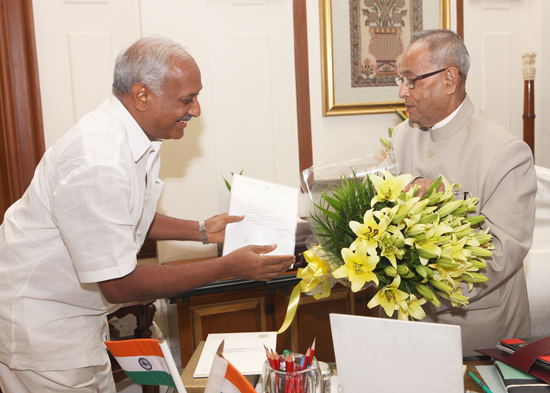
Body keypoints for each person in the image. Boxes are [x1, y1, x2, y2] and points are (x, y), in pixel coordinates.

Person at [0, 36, 295, 392]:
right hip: (40, 331)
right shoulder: (98, 161)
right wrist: (227, 267)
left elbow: (126, 215)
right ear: (142, 95)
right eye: (187, 99)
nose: (197, 110)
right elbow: (119, 283)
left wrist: (202, 230)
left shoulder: (134, 135)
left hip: (76, 323)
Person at [384, 29, 537, 356]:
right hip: (407, 333)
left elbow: (500, 255)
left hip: (478, 340)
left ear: (449, 79)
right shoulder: (402, 137)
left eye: (411, 80)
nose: (402, 91)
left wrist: (416, 288)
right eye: (401, 79)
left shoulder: (506, 151)